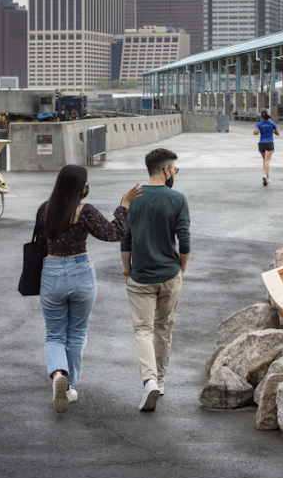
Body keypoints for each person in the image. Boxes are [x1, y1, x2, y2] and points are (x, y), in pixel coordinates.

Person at [37, 165, 142, 414]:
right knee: (76, 334)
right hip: (80, 272)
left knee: (54, 335)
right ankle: (69, 386)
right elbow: (114, 232)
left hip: (51, 271)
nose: (87, 186)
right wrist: (124, 205)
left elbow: (42, 239)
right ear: (79, 187)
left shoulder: (45, 209)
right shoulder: (85, 211)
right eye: (85, 183)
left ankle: (57, 376)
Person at [120, 148, 191, 412]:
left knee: (143, 331)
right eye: (175, 169)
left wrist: (127, 272)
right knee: (163, 330)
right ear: (166, 170)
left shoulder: (132, 199)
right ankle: (160, 381)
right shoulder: (177, 199)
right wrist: (180, 271)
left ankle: (148, 380)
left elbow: (125, 240)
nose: (175, 173)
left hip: (140, 276)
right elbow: (184, 240)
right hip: (169, 274)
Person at [253, 109, 280, 186]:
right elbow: (278, 133)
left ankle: (267, 177)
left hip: (261, 144)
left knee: (265, 160)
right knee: (267, 160)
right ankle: (265, 175)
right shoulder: (272, 123)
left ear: (261, 116)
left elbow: (254, 132)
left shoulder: (259, 124)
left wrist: (258, 131)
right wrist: (274, 131)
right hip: (269, 143)